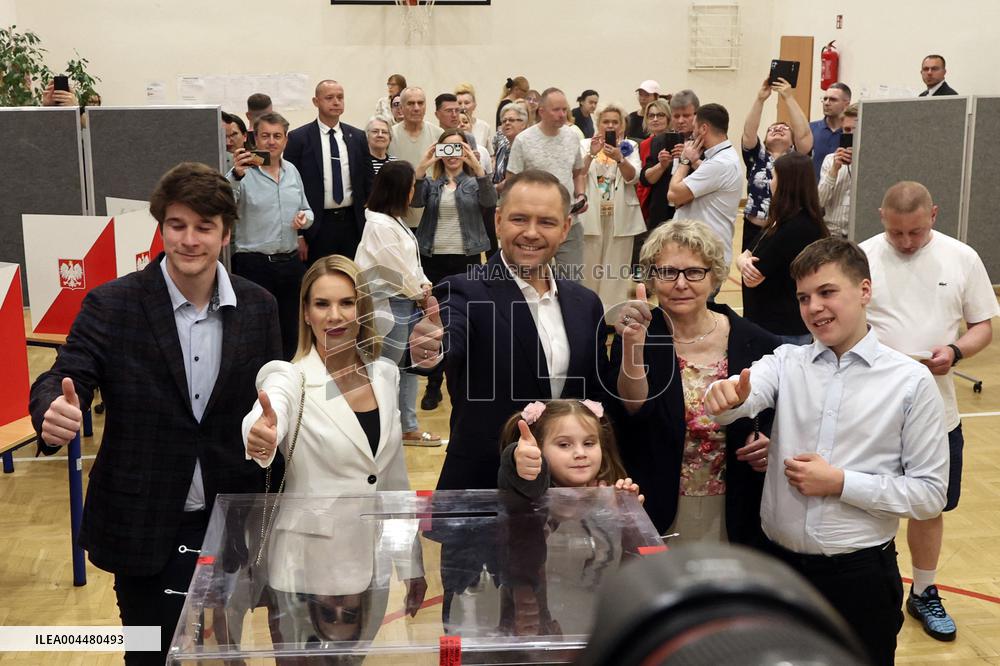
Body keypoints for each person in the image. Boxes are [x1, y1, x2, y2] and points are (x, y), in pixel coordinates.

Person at [29, 162, 282, 665]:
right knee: (147, 654)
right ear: (161, 227)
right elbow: (67, 372)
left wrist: (273, 429)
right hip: (144, 522)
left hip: (228, 518)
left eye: (204, 227)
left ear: (226, 233)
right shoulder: (113, 304)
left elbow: (274, 392)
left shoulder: (260, 307)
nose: (189, 240)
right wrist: (50, 412)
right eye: (177, 225)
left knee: (223, 654)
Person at [705, 237, 950, 666]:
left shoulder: (910, 382)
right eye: (803, 297)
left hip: (860, 579)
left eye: (827, 292)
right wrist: (725, 397)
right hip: (779, 571)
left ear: (865, 291)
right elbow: (745, 394)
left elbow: (930, 494)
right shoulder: (786, 361)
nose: (814, 307)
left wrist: (840, 483)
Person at [243, 254, 427, 650]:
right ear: (306, 313)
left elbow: (393, 481)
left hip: (370, 569)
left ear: (361, 309)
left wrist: (410, 563)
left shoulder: (385, 375)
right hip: (304, 572)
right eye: (322, 304)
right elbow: (271, 407)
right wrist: (260, 434)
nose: (335, 316)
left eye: (346, 303)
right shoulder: (290, 376)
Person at [407, 169, 613, 491]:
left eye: (546, 222)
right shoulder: (463, 292)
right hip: (486, 490)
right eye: (519, 219)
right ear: (498, 221)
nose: (531, 233)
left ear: (565, 228)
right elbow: (447, 340)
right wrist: (430, 350)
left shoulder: (585, 304)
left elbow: (597, 398)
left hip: (568, 495)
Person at [861, 181, 998, 643]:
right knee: (863, 499)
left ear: (934, 215)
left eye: (915, 232)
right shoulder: (859, 258)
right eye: (896, 232)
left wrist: (956, 352)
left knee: (929, 505)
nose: (905, 242)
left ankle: (923, 590)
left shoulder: (962, 257)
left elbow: (982, 326)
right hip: (871, 407)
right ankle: (865, 583)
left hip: (937, 410)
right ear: (881, 216)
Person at [611, 220, 778, 542]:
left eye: (694, 272)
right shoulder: (635, 335)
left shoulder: (757, 342)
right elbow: (632, 409)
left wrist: (771, 442)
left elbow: (780, 414)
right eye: (668, 272)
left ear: (714, 275)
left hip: (738, 505)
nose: (680, 283)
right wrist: (633, 346)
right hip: (656, 501)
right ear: (652, 276)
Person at [410, 129, 497, 412]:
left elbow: (490, 202)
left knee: (467, 319)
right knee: (434, 322)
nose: (452, 155)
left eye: (458, 148)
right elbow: (415, 202)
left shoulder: (474, 182)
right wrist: (422, 166)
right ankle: (434, 384)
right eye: (446, 149)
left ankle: (463, 382)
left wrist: (478, 168)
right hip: (433, 258)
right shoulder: (432, 183)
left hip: (467, 258)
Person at [355, 161, 439, 445]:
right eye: (412, 187)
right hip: (390, 305)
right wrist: (421, 291)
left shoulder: (394, 221)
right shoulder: (379, 225)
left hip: (406, 303)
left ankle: (408, 426)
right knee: (387, 371)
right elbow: (395, 271)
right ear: (399, 190)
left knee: (409, 369)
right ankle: (386, 427)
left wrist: (424, 284)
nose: (413, 192)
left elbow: (410, 264)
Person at [228, 111, 314, 360]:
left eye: (277, 136)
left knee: (292, 331)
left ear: (286, 140)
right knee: (256, 332)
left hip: (289, 263)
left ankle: (287, 384)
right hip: (253, 265)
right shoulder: (241, 173)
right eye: (265, 136)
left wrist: (304, 220)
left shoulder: (293, 172)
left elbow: (307, 210)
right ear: (255, 139)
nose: (271, 142)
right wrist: (235, 175)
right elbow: (223, 203)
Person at [737, 152, 828, 343]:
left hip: (783, 328)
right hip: (770, 325)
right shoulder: (781, 220)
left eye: (774, 176)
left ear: (787, 182)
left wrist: (745, 263)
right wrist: (743, 261)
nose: (770, 183)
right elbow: (746, 254)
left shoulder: (798, 227)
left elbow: (755, 274)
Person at [285, 79, 374, 263]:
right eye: (329, 97)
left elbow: (368, 181)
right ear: (316, 102)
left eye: (340, 97)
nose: (336, 102)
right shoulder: (299, 138)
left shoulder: (357, 137)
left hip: (352, 221)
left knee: (352, 275)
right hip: (318, 223)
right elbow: (290, 187)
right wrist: (299, 235)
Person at [506, 88, 588, 281]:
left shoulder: (572, 136)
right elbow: (512, 182)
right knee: (530, 278)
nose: (562, 115)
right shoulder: (524, 140)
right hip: (534, 226)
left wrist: (582, 195)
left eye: (564, 109)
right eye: (556, 110)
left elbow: (578, 174)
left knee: (572, 281)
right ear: (541, 111)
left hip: (569, 222)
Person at [497, 399, 642, 502]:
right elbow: (519, 481)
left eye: (589, 443)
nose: (580, 453)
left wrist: (628, 515)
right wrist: (519, 460)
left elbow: (626, 544)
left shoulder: (609, 495)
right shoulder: (529, 493)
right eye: (564, 444)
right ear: (539, 449)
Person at [578, 103, 643, 313]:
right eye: (606, 121)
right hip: (592, 214)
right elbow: (577, 173)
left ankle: (612, 317)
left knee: (615, 269)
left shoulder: (630, 146)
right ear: (598, 124)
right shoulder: (585, 144)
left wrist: (619, 158)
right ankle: (588, 312)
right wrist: (590, 154)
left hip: (621, 215)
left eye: (616, 122)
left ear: (623, 125)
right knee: (589, 268)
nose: (611, 125)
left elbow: (633, 178)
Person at [740, 76, 813, 251]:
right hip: (755, 230)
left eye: (785, 128)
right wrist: (760, 99)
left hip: (789, 231)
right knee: (750, 275)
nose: (778, 129)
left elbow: (804, 134)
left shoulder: (798, 158)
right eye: (772, 129)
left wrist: (788, 97)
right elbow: (749, 132)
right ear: (764, 140)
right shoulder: (757, 156)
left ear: (792, 140)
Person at [667, 103, 742, 270]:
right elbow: (710, 179)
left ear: (703, 129)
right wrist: (694, 161)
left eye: (694, 127)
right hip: (702, 249)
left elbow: (673, 194)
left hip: (705, 254)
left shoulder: (720, 163)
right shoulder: (724, 156)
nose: (692, 132)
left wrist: (685, 160)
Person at [640, 90, 700, 232]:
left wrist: (690, 160)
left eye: (686, 116)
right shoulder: (658, 141)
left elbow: (712, 175)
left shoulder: (703, 142)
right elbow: (645, 179)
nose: (680, 121)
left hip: (693, 214)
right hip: (661, 214)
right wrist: (661, 166)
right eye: (676, 116)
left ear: (696, 116)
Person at [390, 87, 442, 229]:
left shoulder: (439, 135)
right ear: (401, 107)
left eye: (420, 103)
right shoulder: (389, 136)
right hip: (398, 217)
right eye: (411, 103)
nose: (416, 108)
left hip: (432, 217)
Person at [818, 104, 857, 238]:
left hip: (860, 234)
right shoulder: (830, 160)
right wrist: (834, 170)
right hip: (832, 233)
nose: (850, 134)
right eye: (847, 130)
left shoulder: (874, 163)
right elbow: (819, 202)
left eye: (855, 130)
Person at [635, 98, 671, 223]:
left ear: (668, 118)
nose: (655, 119)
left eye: (660, 115)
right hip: (647, 197)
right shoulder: (644, 144)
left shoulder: (676, 140)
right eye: (651, 116)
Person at [809, 82, 851, 180]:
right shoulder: (811, 129)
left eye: (833, 99)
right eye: (825, 99)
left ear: (846, 104)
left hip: (842, 190)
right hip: (814, 191)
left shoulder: (852, 132)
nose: (827, 103)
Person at [493, 102, 529, 195]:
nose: (507, 123)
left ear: (523, 124)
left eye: (511, 120)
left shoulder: (527, 147)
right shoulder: (502, 148)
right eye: (504, 121)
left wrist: (498, 187)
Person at [455, 82, 492, 151]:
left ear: (474, 105)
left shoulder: (484, 127)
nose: (463, 107)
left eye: (466, 103)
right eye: (459, 103)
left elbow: (490, 155)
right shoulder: (451, 126)